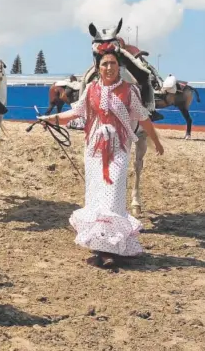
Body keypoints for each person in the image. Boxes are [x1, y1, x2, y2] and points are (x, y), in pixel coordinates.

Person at [37, 42, 164, 268]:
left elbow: (143, 117)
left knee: (113, 193)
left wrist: (155, 141)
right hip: (94, 149)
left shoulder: (129, 90)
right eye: (105, 64)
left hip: (119, 148)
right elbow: (75, 113)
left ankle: (112, 248)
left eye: (113, 64)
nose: (109, 67)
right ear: (98, 68)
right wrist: (50, 119)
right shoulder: (91, 90)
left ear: (119, 66)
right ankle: (101, 247)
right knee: (96, 196)